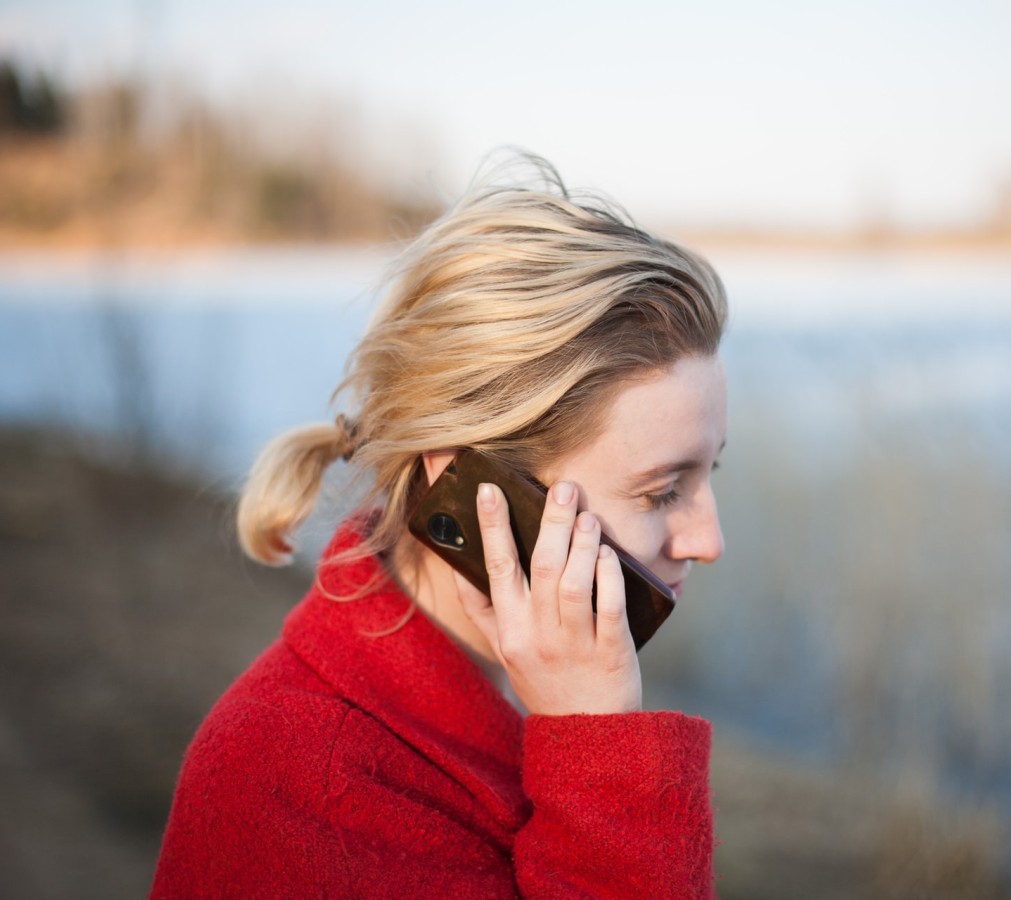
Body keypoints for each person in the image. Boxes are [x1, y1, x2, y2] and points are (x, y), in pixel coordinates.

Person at [152, 154, 728, 898]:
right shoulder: (295, 780)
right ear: (471, 487)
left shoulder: (523, 691)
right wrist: (602, 750)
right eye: (660, 491)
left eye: (712, 472)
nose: (709, 541)